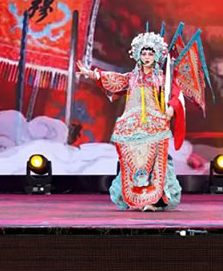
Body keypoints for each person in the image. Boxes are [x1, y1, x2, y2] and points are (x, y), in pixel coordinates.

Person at [77, 31, 184, 211]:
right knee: (134, 163)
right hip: (131, 127)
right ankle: (137, 199)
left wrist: (171, 109)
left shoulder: (162, 79)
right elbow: (115, 80)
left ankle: (152, 201)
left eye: (150, 54)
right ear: (138, 55)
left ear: (157, 56)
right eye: (144, 53)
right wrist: (93, 74)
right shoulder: (132, 77)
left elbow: (176, 94)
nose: (147, 57)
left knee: (154, 164)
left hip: (154, 126)